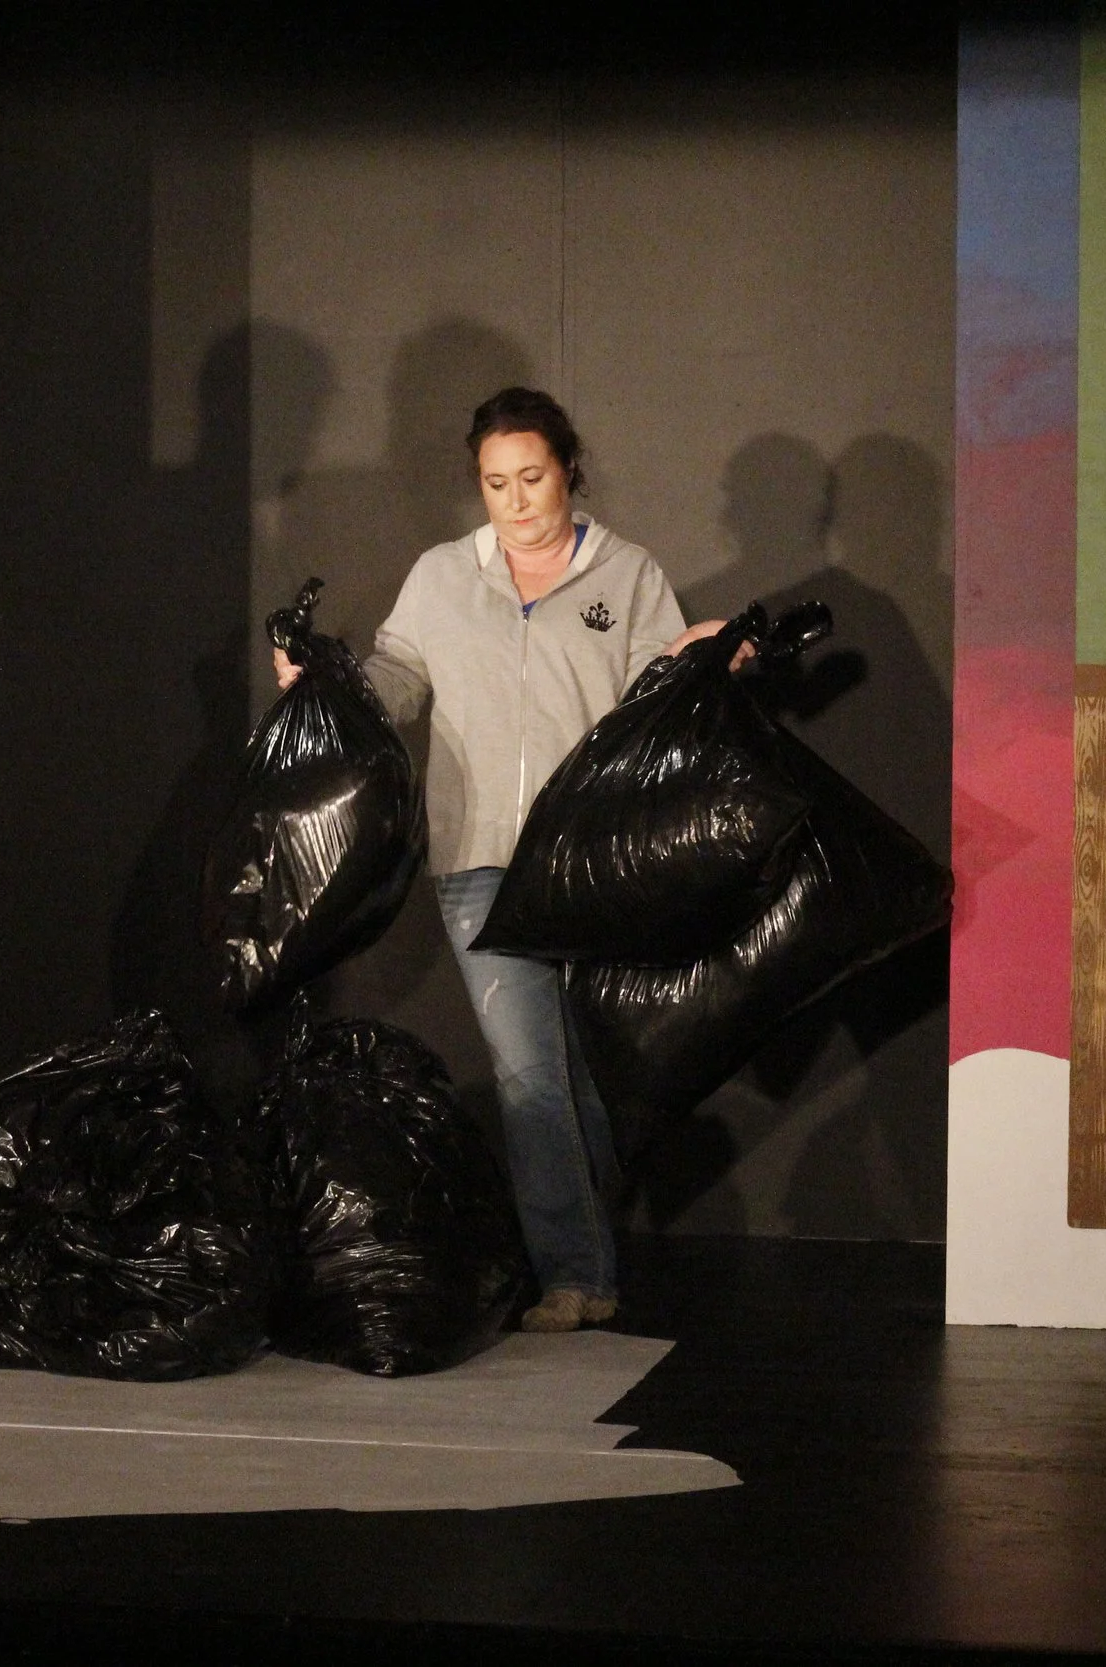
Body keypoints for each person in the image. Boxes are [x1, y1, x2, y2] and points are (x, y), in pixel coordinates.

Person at [276, 387, 733, 1332]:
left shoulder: (628, 573)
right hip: (480, 859)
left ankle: (585, 1257)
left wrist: (699, 657)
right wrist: (330, 675)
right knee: (527, 1074)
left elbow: (657, 693)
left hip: (596, 860)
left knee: (586, 1076)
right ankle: (577, 1275)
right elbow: (397, 681)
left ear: (569, 469)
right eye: (495, 483)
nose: (517, 500)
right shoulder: (445, 575)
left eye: (532, 477)